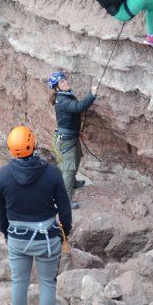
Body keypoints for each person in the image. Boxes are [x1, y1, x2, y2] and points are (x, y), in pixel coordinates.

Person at [0, 125, 72, 305]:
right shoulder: (52, 173)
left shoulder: (3, 176)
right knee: (47, 284)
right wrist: (65, 230)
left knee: (20, 283)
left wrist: (6, 232)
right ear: (33, 144)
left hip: (17, 237)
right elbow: (65, 208)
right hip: (46, 237)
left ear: (11, 149)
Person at [47, 71, 97, 209]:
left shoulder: (63, 95)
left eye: (65, 80)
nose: (66, 82)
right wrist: (92, 95)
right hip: (66, 139)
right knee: (69, 169)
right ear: (56, 88)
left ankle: (73, 183)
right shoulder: (62, 100)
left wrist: (76, 131)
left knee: (75, 159)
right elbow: (78, 107)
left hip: (70, 136)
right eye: (62, 82)